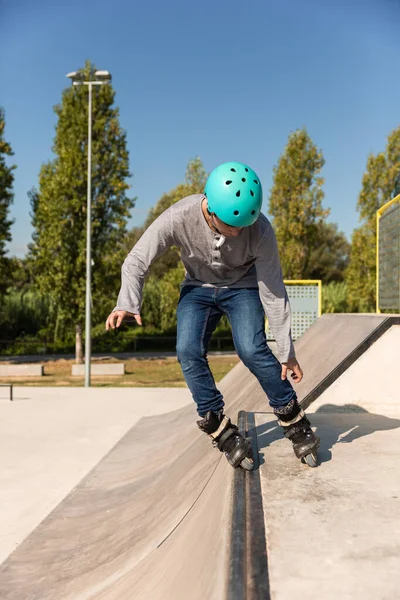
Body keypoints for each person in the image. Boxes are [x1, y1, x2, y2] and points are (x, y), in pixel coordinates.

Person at [106, 162, 320, 469]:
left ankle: (291, 416)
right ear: (210, 209)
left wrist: (287, 352)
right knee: (187, 349)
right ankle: (216, 423)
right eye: (230, 226)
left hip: (242, 287)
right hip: (197, 288)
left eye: (244, 225)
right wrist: (127, 300)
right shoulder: (178, 217)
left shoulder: (260, 230)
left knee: (250, 347)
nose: (237, 233)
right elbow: (138, 259)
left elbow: (272, 292)